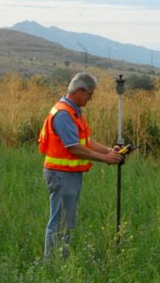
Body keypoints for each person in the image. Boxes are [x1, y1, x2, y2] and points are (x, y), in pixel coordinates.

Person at [37, 72, 123, 259]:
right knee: (59, 222)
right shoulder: (63, 114)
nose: (90, 99)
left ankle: (61, 260)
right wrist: (106, 159)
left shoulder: (75, 112)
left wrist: (108, 151)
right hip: (60, 175)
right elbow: (74, 148)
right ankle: (52, 265)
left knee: (66, 221)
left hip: (69, 175)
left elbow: (86, 142)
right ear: (79, 91)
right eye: (89, 95)